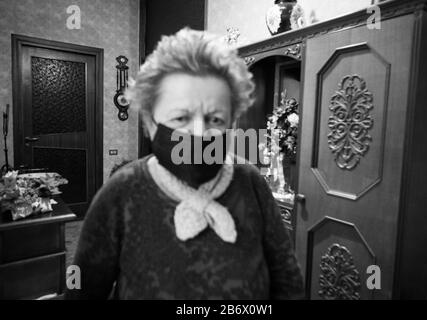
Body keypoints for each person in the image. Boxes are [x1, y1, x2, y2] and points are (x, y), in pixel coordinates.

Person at [65, 28, 303, 300]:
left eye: (215, 119)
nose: (199, 133)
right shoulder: (121, 191)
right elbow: (82, 290)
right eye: (180, 118)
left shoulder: (250, 182)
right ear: (150, 123)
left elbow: (287, 278)